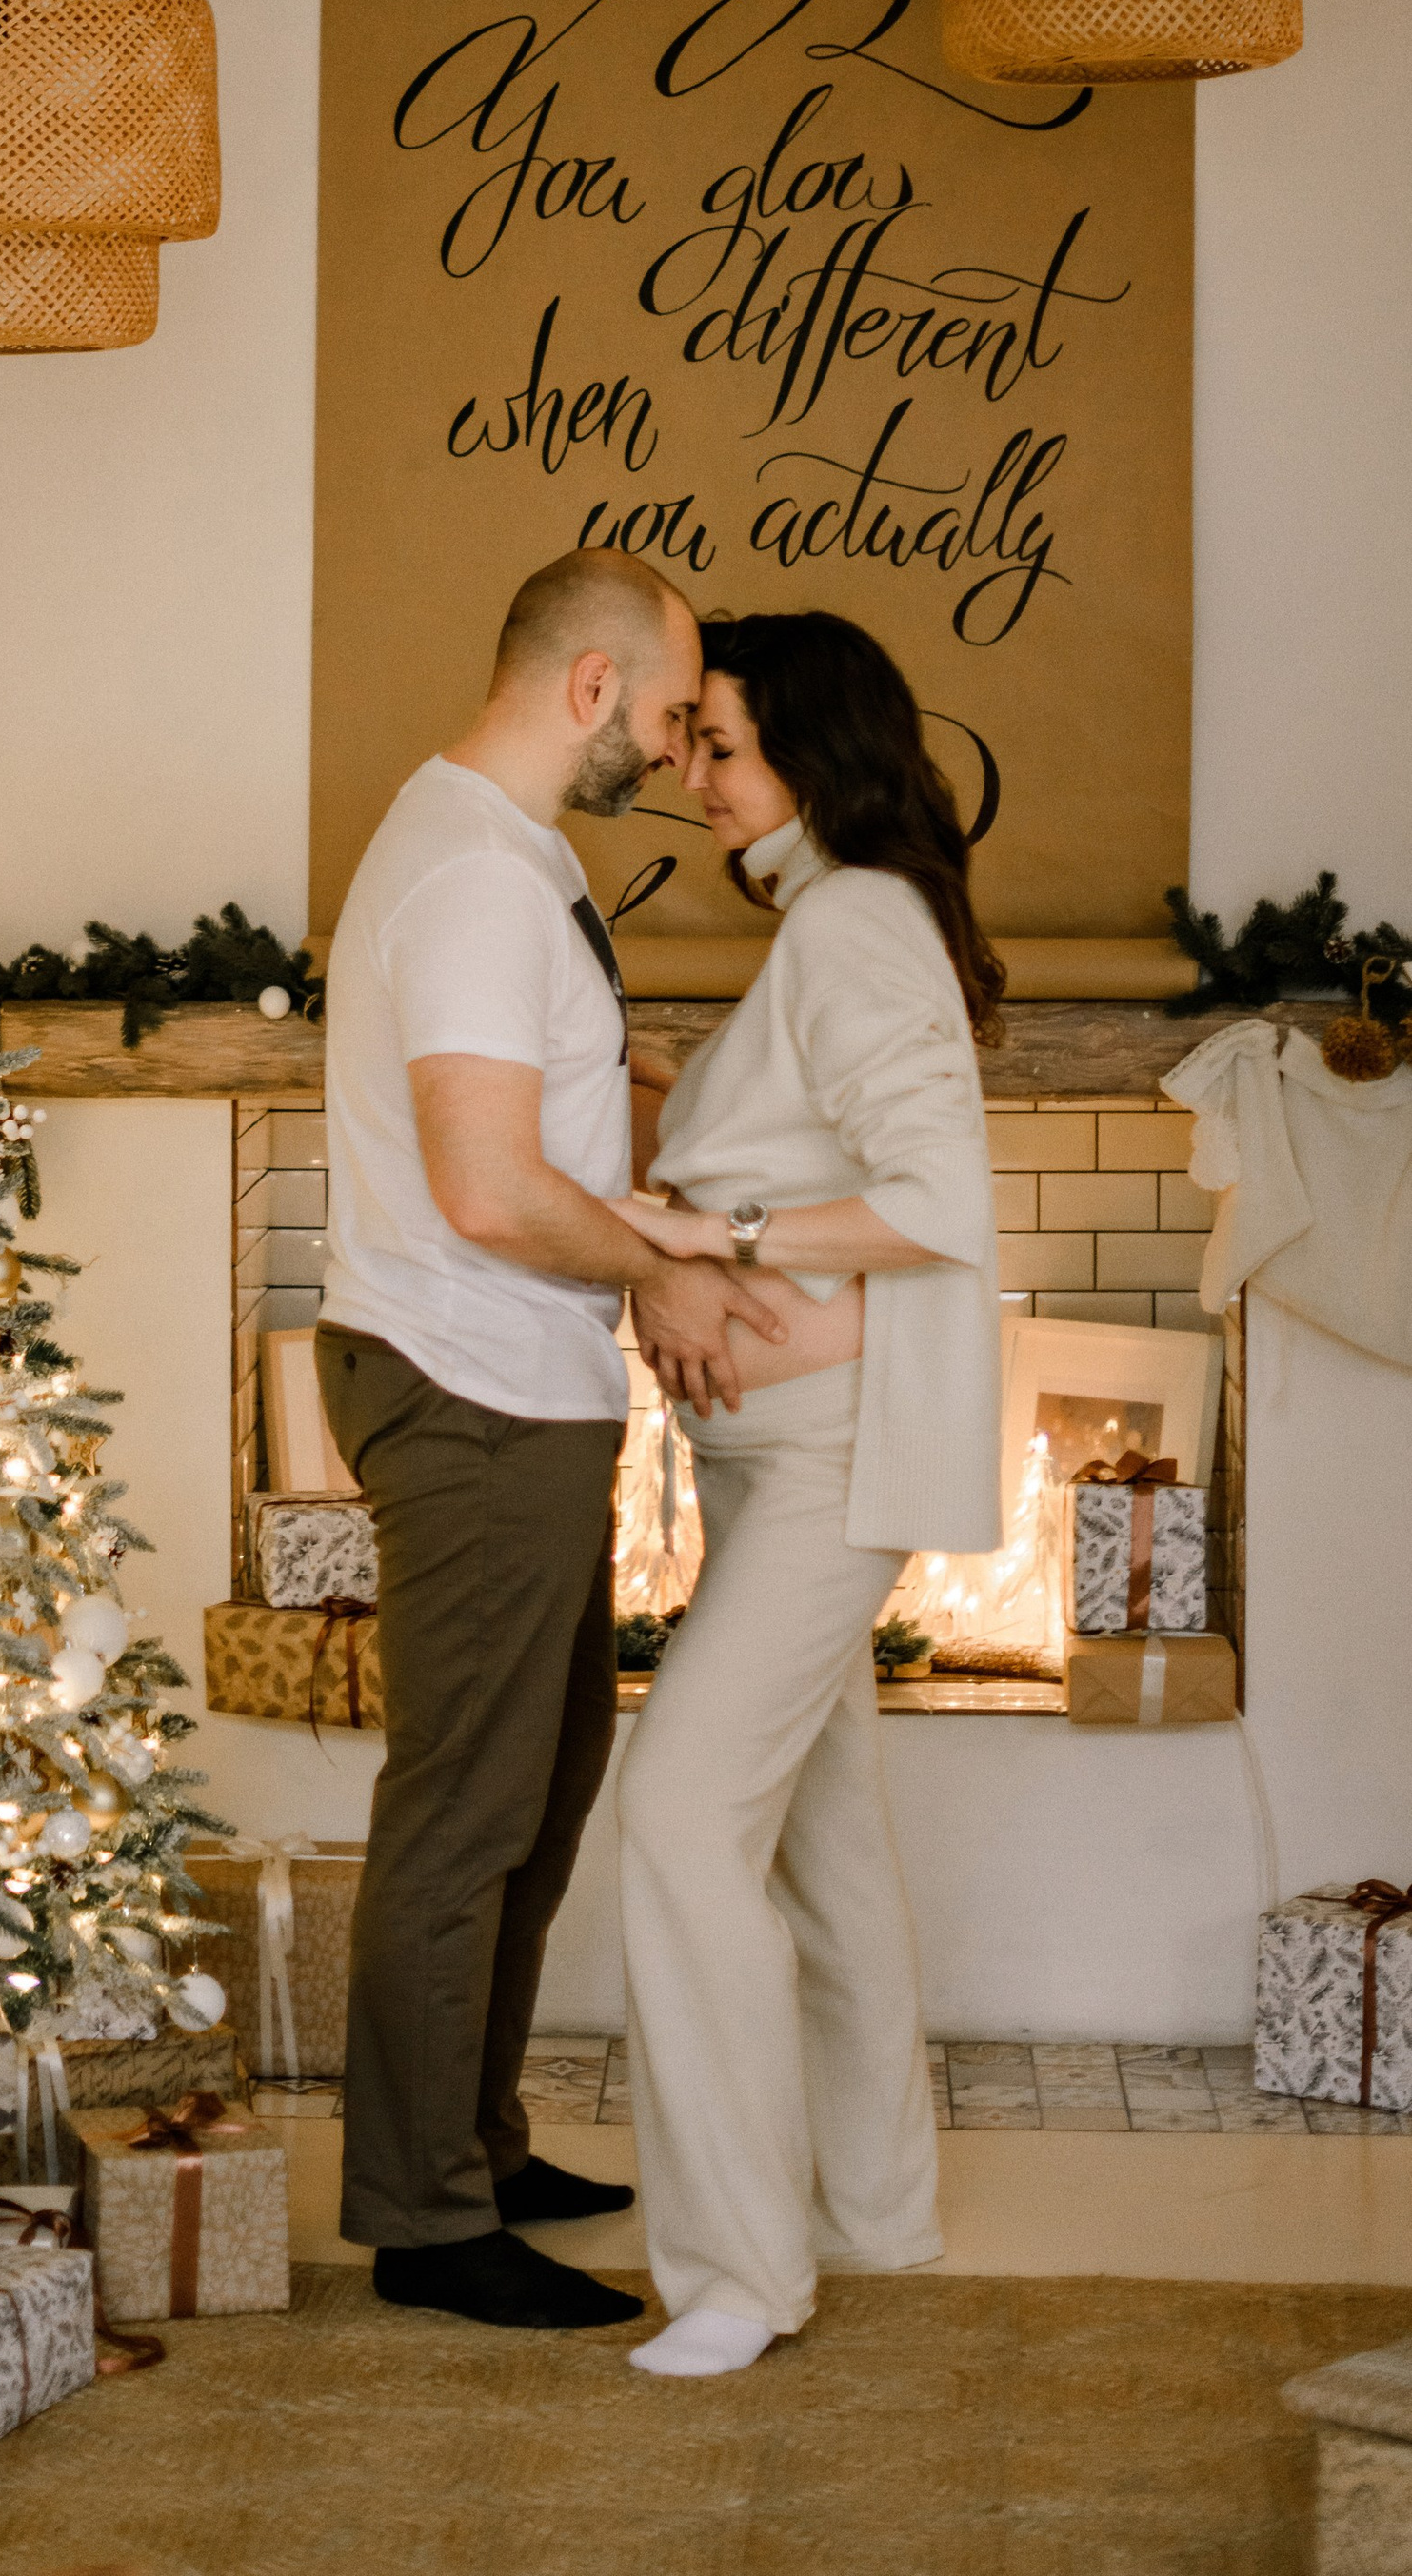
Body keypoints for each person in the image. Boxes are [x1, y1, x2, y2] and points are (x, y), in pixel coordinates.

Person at [318, 547, 792, 2332]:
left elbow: (542, 1118)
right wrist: (661, 1264)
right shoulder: (470, 877)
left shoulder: (502, 862)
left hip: (516, 1382)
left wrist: (676, 1107)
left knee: (542, 1787)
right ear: (590, 686)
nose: (679, 753)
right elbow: (489, 1187)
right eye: (670, 714)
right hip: (470, 1382)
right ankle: (425, 2220)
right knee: (464, 1813)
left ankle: (481, 2143)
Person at [607, 609, 1005, 2380]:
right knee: (825, 1848)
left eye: (724, 747)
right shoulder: (836, 923)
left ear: (816, 755)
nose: (691, 777)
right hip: (779, 1457)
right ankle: (874, 2209)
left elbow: (940, 1203)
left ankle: (739, 2273)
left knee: (681, 1818)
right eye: (688, 744)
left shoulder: (852, 918)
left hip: (829, 1458)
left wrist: (712, 1229)